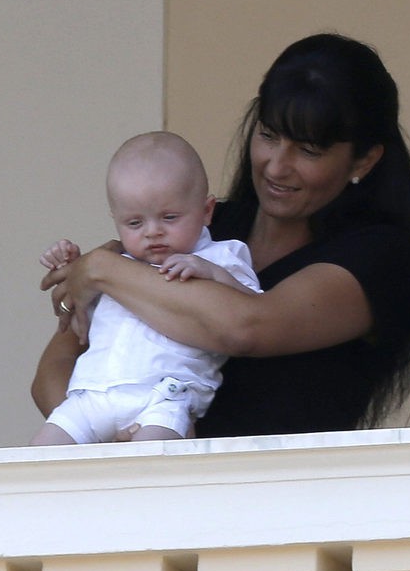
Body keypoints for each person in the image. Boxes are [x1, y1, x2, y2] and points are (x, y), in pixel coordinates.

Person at [33, 33, 410, 571]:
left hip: (257, 565)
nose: (277, 165)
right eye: (269, 135)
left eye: (308, 148)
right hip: (126, 541)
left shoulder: (378, 258)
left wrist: (101, 267)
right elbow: (57, 368)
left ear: (364, 159)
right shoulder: (188, 223)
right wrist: (107, 431)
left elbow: (248, 324)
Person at [30, 132, 261, 446]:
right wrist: (69, 266)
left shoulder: (220, 256)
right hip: (92, 395)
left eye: (169, 217)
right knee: (39, 458)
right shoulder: (114, 265)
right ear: (116, 221)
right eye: (135, 223)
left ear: (206, 211)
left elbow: (255, 310)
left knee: (152, 470)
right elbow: (79, 322)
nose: (153, 232)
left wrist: (212, 273)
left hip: (162, 397)